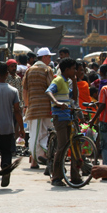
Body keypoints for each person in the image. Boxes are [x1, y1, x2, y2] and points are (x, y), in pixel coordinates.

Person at [45, 58, 78, 187]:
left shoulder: (67, 82)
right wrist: (57, 103)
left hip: (68, 118)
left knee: (74, 145)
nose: (75, 71)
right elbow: (48, 91)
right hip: (60, 118)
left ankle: (75, 176)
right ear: (66, 69)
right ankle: (56, 177)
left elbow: (73, 97)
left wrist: (74, 81)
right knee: (62, 147)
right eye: (73, 68)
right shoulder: (58, 80)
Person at [22, 47, 55, 169]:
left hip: (32, 108)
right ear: (45, 57)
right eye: (49, 57)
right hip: (44, 108)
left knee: (34, 134)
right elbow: (52, 88)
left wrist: (26, 105)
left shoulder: (29, 71)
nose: (50, 59)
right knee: (44, 134)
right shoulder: (47, 69)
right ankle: (40, 157)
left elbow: (24, 90)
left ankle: (35, 161)